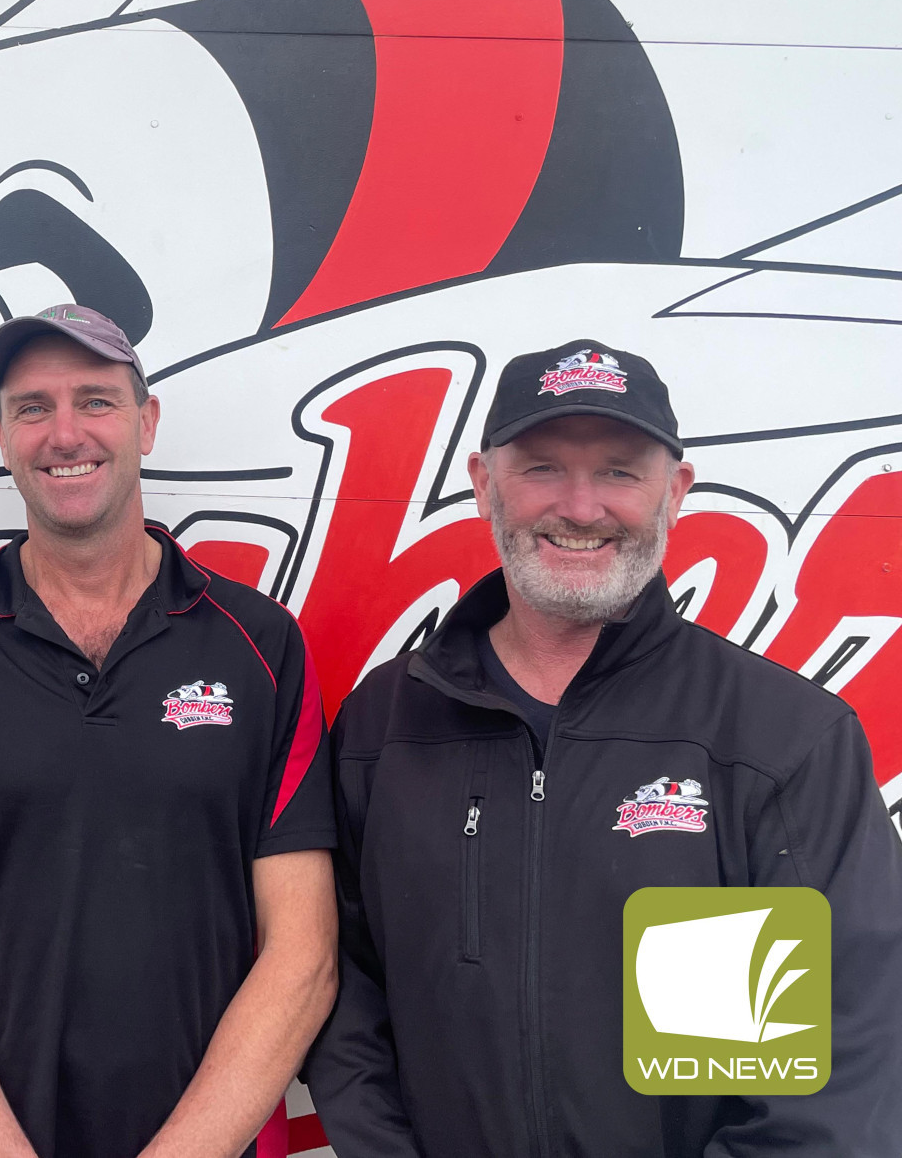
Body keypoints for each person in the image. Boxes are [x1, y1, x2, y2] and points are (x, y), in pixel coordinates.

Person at [305, 339, 902, 1156]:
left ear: (675, 490)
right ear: (485, 484)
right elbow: (347, 1001)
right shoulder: (385, 728)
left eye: (620, 470)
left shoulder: (779, 740)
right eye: (542, 467)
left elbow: (842, 1067)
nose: (581, 507)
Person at [0, 303, 339, 1158]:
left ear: (146, 422)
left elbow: (304, 956)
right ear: (0, 433)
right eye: (33, 406)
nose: (64, 431)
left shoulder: (259, 644)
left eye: (96, 400)